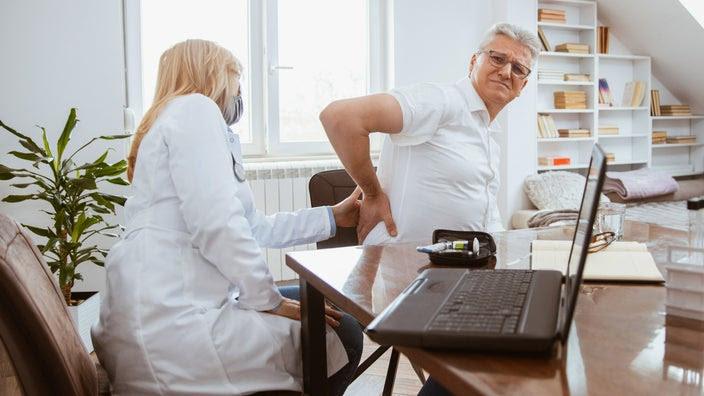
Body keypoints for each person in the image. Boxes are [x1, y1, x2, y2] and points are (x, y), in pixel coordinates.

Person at [92, 39, 363, 395]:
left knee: (321, 310)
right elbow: (218, 224)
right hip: (177, 332)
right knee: (343, 331)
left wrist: (332, 216)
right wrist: (268, 300)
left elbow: (251, 226)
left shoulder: (176, 123)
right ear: (214, 75)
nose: (239, 94)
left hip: (158, 318)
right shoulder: (194, 109)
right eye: (238, 80)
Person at [320, 22, 540, 246]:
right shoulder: (440, 100)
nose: (505, 72)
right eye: (498, 58)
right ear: (474, 62)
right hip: (404, 264)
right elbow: (340, 118)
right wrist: (373, 194)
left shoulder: (489, 138)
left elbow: (485, 214)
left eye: (518, 69)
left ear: (522, 86)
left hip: (464, 264)